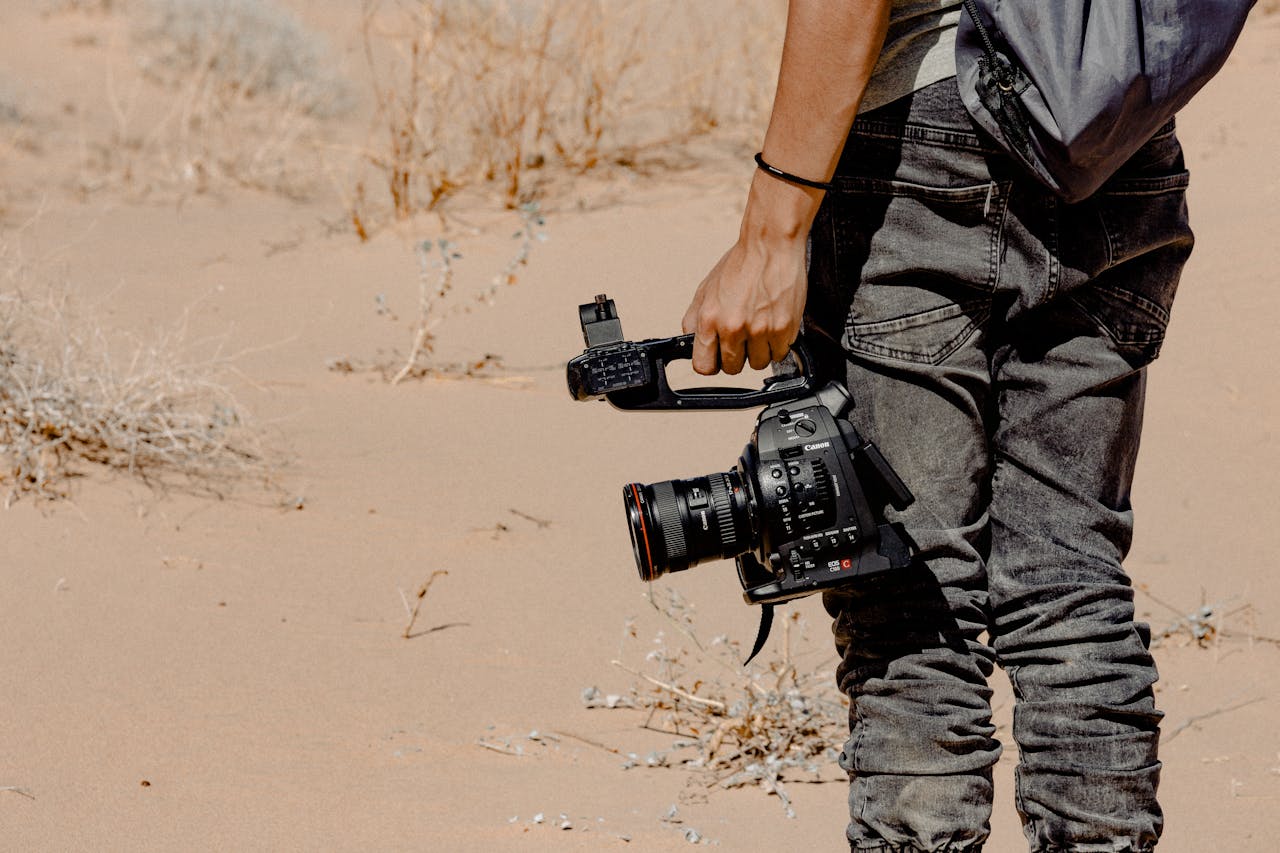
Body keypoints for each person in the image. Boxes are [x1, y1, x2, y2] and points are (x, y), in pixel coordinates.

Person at [681, 2, 1190, 850]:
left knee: (914, 603)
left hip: (922, 141)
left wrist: (773, 229)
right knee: (1070, 582)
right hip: (1112, 136)